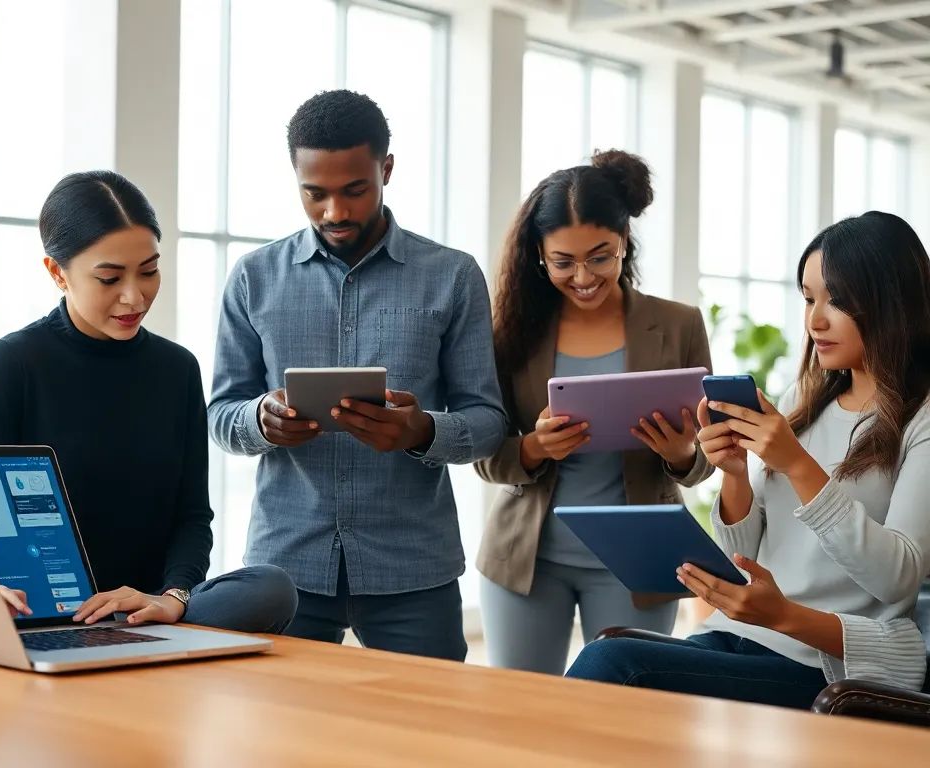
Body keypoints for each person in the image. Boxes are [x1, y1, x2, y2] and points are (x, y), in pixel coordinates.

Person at [566, 211, 930, 707]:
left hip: (819, 662)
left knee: (612, 663)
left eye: (838, 301)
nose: (815, 320)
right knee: (608, 663)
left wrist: (798, 465)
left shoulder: (920, 420)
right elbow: (744, 555)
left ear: (892, 302)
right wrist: (734, 474)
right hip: (740, 635)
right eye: (809, 298)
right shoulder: (806, 399)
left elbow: (898, 578)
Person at [207, 89, 506, 661]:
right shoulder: (253, 277)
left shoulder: (453, 276)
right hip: (287, 566)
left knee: (427, 720)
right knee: (287, 721)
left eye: (354, 190)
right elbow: (220, 414)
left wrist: (422, 431)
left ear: (386, 170)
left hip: (412, 566)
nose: (334, 213)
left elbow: (489, 421)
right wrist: (260, 421)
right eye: (314, 193)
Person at [0, 170, 297, 634]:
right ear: (57, 273)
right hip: (42, 611)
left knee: (271, 587)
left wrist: (173, 597)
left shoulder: (177, 369)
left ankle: (153, 626)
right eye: (109, 278)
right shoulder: (13, 362)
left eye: (149, 271)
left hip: (145, 613)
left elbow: (192, 516)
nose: (135, 296)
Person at [473, 150, 715, 674]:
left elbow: (707, 459)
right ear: (539, 256)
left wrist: (681, 454)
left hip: (640, 559)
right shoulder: (509, 332)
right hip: (528, 559)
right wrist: (533, 447)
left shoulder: (679, 325)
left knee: (625, 709)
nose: (583, 276)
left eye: (600, 257)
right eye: (563, 262)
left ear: (624, 239)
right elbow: (485, 456)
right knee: (521, 707)